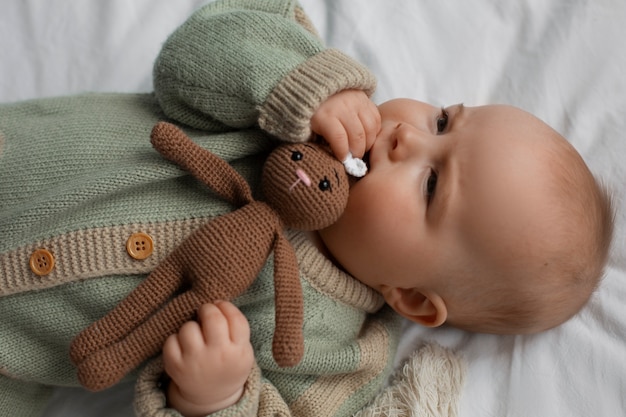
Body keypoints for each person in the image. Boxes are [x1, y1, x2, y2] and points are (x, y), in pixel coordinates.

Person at [0, 1, 613, 417]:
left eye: (431, 185)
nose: (407, 135)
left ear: (414, 299)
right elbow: (192, 54)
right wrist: (297, 84)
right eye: (443, 120)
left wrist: (220, 394)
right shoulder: (303, 102)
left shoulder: (338, 357)